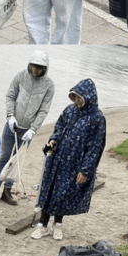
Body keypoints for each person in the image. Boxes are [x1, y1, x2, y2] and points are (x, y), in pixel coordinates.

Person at [32, 79, 106, 241]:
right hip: (57, 158)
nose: (77, 100)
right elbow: (59, 127)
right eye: (75, 97)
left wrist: (85, 170)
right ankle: (42, 225)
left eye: (80, 97)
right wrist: (54, 139)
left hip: (75, 164)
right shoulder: (69, 111)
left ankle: (57, 224)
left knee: (63, 193)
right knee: (49, 190)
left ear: (89, 97)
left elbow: (95, 147)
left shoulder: (97, 118)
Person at [0, 51, 54, 204]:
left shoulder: (49, 85)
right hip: (12, 126)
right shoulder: (20, 76)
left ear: (45, 68)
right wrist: (10, 116)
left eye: (38, 68)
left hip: (27, 130)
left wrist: (33, 129)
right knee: (4, 156)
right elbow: (10, 96)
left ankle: (8, 191)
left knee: (16, 160)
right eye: (33, 67)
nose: (34, 71)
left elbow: (44, 110)